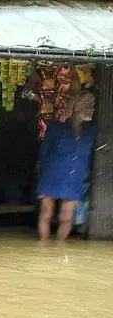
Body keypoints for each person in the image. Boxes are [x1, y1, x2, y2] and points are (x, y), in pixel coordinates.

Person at [37, 90, 96, 241]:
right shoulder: (57, 129)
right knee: (46, 213)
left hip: (74, 177)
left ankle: (59, 248)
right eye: (89, 105)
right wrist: (41, 173)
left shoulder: (90, 131)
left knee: (66, 218)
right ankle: (42, 250)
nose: (92, 109)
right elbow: (44, 153)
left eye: (92, 106)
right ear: (77, 107)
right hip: (51, 175)